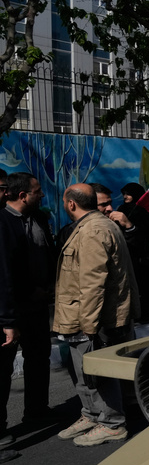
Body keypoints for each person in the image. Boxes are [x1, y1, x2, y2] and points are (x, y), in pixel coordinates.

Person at [53, 183, 139, 447]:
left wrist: (88, 325)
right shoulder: (95, 225)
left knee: (96, 371)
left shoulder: (92, 230)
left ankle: (112, 423)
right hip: (85, 315)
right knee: (84, 372)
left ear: (71, 204)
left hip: (92, 317)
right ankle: (92, 414)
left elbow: (92, 283)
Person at [1, 173, 56, 434]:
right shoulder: (2, 222)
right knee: (4, 370)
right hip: (12, 309)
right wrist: (10, 316)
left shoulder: (41, 218)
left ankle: (36, 411)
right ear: (23, 195)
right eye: (37, 191)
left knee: (39, 359)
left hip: (37, 306)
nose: (42, 195)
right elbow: (5, 273)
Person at [118, 182, 149, 319]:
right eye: (124, 193)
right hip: (127, 254)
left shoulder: (144, 211)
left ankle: (146, 311)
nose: (125, 196)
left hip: (142, 256)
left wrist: (131, 226)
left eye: (128, 193)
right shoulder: (121, 209)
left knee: (144, 285)